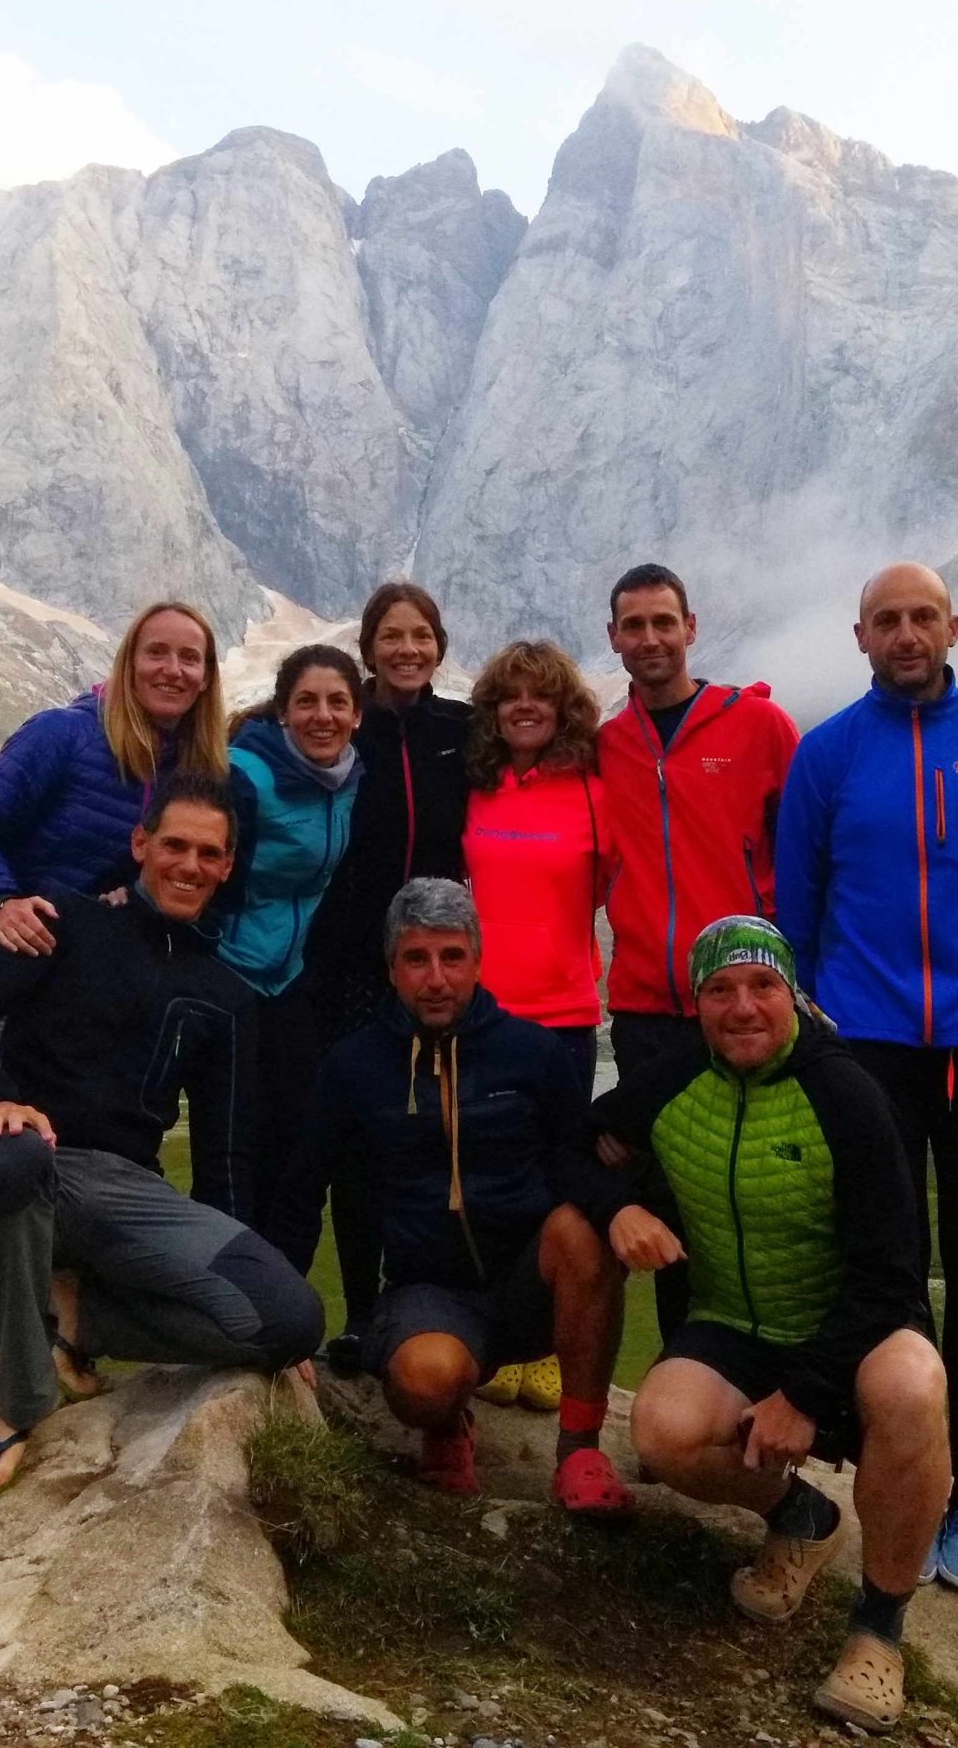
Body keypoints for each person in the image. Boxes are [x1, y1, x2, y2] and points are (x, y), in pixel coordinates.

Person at [774, 561, 958, 1596]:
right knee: (892, 1268)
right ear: (858, 636)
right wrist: (837, 1012)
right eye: (886, 621)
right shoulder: (826, 756)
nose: (906, 635)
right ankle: (916, 1470)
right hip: (870, 1045)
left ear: (953, 627)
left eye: (922, 618)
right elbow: (795, 904)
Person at [580, 916, 949, 1731]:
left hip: (856, 1331)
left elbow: (894, 1272)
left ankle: (878, 1631)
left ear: (793, 997)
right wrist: (619, 1207)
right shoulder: (673, 1077)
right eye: (720, 990)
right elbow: (579, 1142)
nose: (742, 1007)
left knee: (914, 1386)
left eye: (762, 987)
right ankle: (801, 1518)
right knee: (662, 1429)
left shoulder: (847, 1095)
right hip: (735, 1322)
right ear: (697, 1004)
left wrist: (806, 1396)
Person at [0, 775, 322, 1498]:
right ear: (141, 844)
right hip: (23, 1167)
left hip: (125, 1194)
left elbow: (223, 1155)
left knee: (290, 1318)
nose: (189, 865)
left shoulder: (225, 996)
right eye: (174, 844)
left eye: (209, 852)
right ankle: (20, 1393)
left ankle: (78, 1318)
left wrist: (258, 1289)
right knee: (6, 1160)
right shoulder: (65, 921)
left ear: (228, 865)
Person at [266, 878, 635, 1516]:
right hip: (428, 1291)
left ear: (476, 961)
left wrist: (622, 1207)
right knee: (423, 1383)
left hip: (529, 1284)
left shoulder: (535, 1053)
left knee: (583, 1226)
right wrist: (277, 1324)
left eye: (451, 957)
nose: (435, 978)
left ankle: (579, 1448)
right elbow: (305, 1186)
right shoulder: (353, 1066)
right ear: (392, 968)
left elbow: (575, 1163)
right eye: (416, 959)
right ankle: (446, 1424)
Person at [298, 583, 472, 1361]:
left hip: (434, 970)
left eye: (422, 636)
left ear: (438, 646)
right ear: (368, 647)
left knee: (433, 1141)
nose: (408, 649)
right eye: (392, 636)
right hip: (342, 970)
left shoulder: (462, 731)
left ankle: (427, 1305)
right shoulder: (342, 727)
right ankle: (364, 1311)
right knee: (354, 1148)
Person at [0, 601, 230, 967]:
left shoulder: (202, 774)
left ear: (205, 678)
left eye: (189, 658)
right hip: (9, 973)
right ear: (128, 664)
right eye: (156, 653)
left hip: (103, 991)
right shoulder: (61, 734)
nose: (172, 670)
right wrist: (2, 902)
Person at [598, 562, 800, 1080]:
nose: (650, 639)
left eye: (663, 623)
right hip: (643, 1011)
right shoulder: (605, 746)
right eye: (635, 626)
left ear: (690, 627)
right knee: (654, 1158)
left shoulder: (760, 726)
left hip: (742, 1002)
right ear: (613, 637)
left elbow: (808, 854)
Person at [218, 646, 366, 1226]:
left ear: (357, 715)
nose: (322, 715)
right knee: (235, 1146)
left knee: (296, 1145)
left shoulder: (351, 776)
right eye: (306, 701)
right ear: (282, 711)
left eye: (337, 702)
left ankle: (282, 1298)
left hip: (290, 979)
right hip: (228, 973)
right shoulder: (243, 774)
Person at [462, 640, 620, 1098]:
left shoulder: (595, 794)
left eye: (542, 695)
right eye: (512, 696)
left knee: (562, 1159)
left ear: (563, 710)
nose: (525, 706)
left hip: (566, 1017)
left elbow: (611, 885)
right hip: (481, 1011)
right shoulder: (476, 788)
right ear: (494, 710)